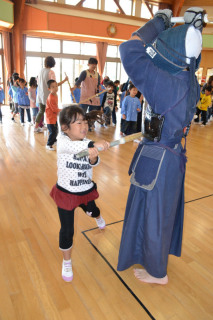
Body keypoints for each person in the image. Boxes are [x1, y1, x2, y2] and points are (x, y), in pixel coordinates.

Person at [117, 7, 204, 284]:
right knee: (161, 212)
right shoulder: (189, 79)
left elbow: (129, 49)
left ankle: (157, 272)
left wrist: (156, 24)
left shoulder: (164, 83)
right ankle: (154, 261)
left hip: (159, 156)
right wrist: (193, 29)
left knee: (154, 214)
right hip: (172, 155)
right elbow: (191, 54)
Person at [50, 105, 109, 282]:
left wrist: (93, 156)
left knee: (93, 211)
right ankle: (66, 261)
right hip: (66, 193)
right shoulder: (62, 141)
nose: (84, 125)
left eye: (84, 121)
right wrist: (93, 145)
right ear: (65, 128)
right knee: (67, 230)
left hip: (84, 191)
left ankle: (98, 218)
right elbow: (74, 148)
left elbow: (93, 163)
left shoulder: (86, 142)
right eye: (78, 122)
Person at [35, 56, 68, 132]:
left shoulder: (40, 71)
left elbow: (39, 83)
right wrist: (64, 80)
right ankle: (52, 129)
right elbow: (54, 85)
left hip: (40, 95)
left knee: (41, 111)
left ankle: (36, 127)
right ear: (53, 63)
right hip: (48, 96)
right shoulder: (51, 72)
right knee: (51, 112)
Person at [45, 80, 61, 151]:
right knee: (53, 131)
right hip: (50, 118)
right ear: (49, 89)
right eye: (53, 87)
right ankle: (49, 144)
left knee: (56, 130)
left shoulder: (55, 95)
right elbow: (54, 109)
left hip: (53, 117)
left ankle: (54, 141)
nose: (55, 88)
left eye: (56, 86)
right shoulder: (51, 97)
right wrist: (62, 110)